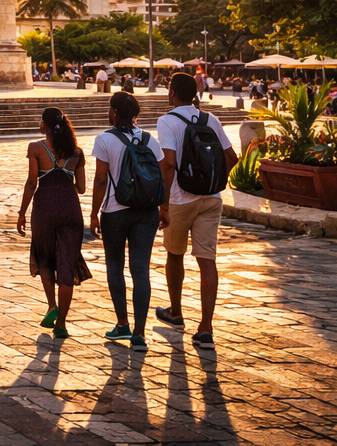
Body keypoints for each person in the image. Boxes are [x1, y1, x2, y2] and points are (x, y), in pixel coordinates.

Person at [155, 71, 237, 351]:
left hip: (180, 198)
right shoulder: (210, 119)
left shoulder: (166, 120)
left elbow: (167, 163)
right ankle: (206, 328)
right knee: (207, 260)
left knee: (174, 255)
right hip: (211, 198)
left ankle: (176, 312)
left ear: (173, 93)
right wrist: (212, 180)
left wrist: (163, 205)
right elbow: (231, 157)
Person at [90, 91, 163, 352]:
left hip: (115, 210)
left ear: (115, 113)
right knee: (140, 270)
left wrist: (93, 213)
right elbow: (161, 176)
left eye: (111, 109)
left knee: (115, 265)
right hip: (147, 211)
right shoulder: (149, 140)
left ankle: (122, 323)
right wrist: (163, 209)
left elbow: (100, 180)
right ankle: (140, 334)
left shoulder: (104, 140)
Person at [17, 106, 91, 339]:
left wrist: (21, 212)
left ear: (45, 126)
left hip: (45, 207)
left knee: (45, 256)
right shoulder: (77, 152)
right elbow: (81, 188)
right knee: (67, 263)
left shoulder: (36, 148)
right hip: (70, 207)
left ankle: (51, 305)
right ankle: (61, 323)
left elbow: (31, 182)